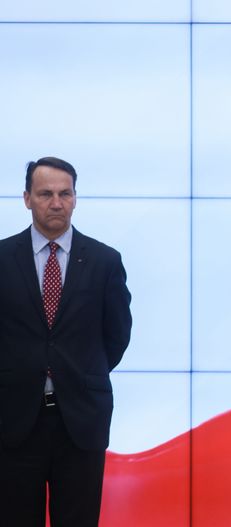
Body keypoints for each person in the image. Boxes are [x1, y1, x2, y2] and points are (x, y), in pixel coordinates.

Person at [0, 157, 132, 526]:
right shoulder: (2, 259)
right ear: (27, 198)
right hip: (13, 421)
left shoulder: (105, 261)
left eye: (65, 194)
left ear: (75, 198)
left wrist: (79, 371)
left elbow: (117, 335)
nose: (56, 203)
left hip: (81, 420)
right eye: (45, 194)